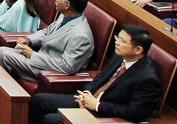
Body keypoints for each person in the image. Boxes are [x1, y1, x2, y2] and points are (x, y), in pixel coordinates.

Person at [30, 25, 163, 124]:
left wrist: (97, 105)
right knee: (40, 100)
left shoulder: (147, 78)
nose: (116, 42)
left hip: (104, 112)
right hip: (89, 100)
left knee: (51, 120)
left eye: (122, 41)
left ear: (138, 49)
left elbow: (135, 112)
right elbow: (101, 77)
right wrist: (87, 92)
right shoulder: (119, 56)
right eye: (118, 38)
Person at [0, 0, 94, 80]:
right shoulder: (66, 16)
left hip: (47, 71)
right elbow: (47, 32)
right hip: (39, 57)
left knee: (3, 54)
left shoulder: (81, 35)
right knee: (3, 51)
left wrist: (33, 55)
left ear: (66, 5)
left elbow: (67, 66)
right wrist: (29, 39)